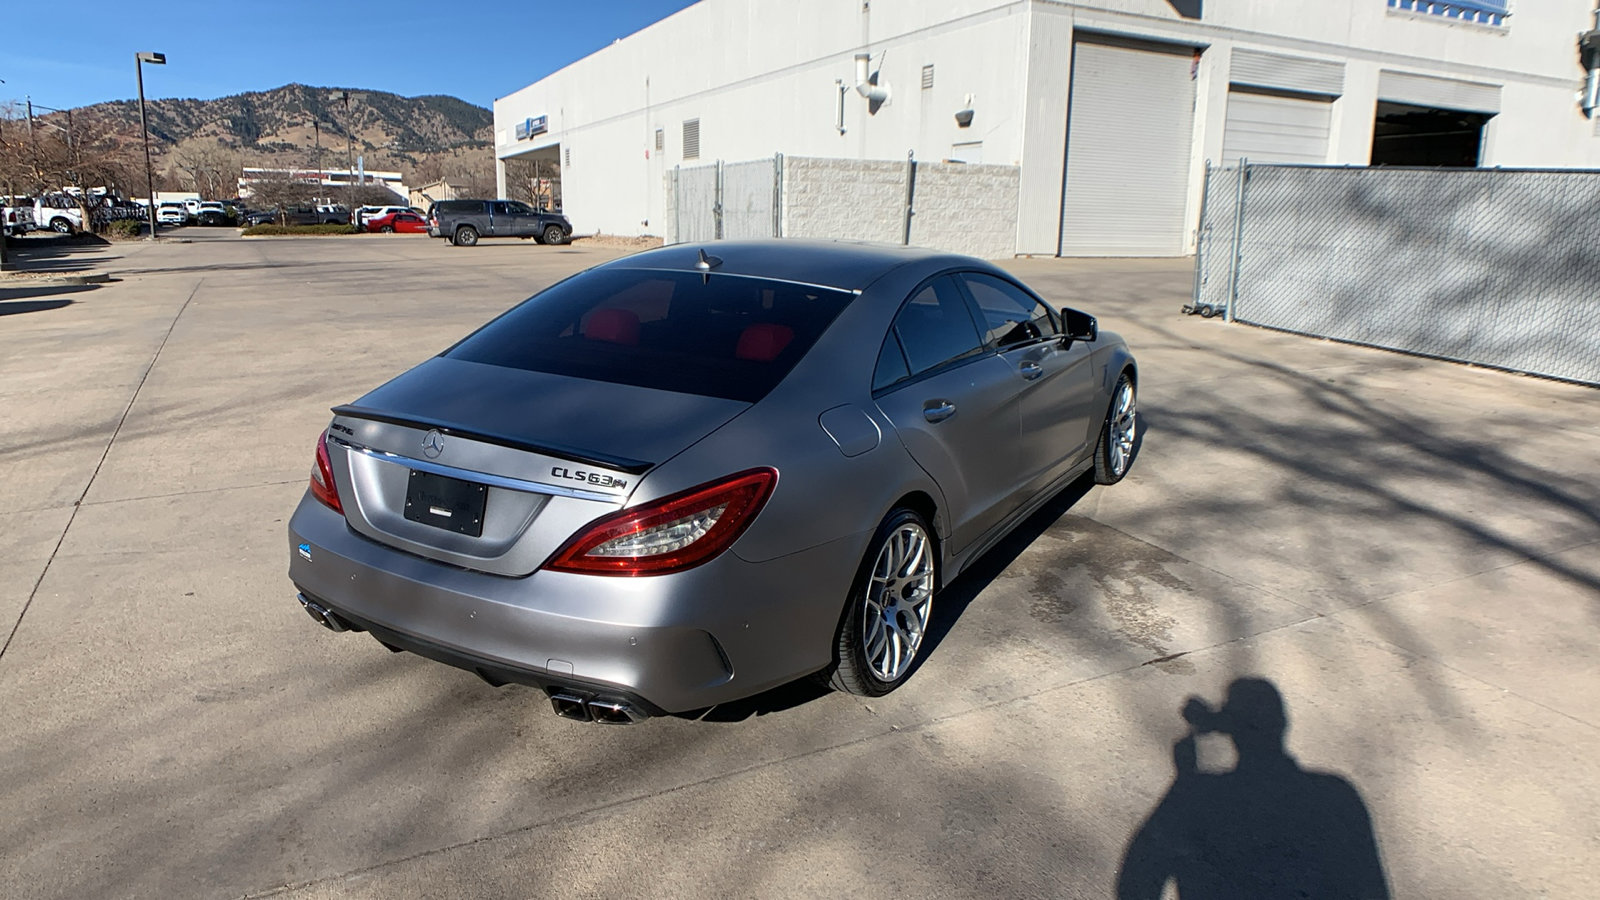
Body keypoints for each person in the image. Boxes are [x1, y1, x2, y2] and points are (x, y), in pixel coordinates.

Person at [1117, 678, 1390, 899]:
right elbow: (1372, 887)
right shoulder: (1336, 795)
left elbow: (1137, 879)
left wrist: (1185, 780)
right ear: (1284, 724)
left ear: (1232, 733)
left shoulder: (1199, 800)